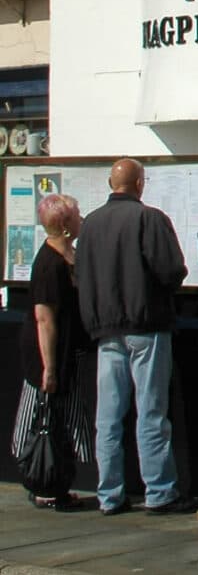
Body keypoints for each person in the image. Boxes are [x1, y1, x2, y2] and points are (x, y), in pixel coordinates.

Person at [76, 159, 198, 515]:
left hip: (105, 330)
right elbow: (171, 270)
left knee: (108, 418)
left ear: (109, 183)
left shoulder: (90, 224)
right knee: (151, 412)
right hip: (146, 326)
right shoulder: (149, 219)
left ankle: (109, 494)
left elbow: (81, 276)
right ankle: (159, 491)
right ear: (140, 184)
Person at [9, 192, 94, 510]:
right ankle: (41, 482)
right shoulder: (48, 264)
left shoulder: (70, 256)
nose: (81, 218)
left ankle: (58, 482)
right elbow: (44, 319)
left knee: (65, 420)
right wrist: (49, 368)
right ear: (65, 224)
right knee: (40, 416)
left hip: (70, 352)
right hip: (47, 355)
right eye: (76, 214)